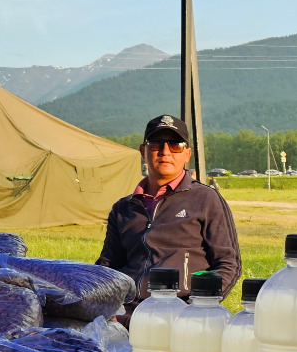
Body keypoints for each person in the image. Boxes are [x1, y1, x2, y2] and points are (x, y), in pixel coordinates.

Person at [97, 114, 241, 301]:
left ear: (187, 154)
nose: (165, 151)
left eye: (175, 145)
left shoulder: (206, 199)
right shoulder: (123, 208)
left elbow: (228, 265)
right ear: (143, 151)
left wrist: (196, 307)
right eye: (156, 144)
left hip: (181, 308)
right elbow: (108, 268)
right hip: (129, 309)